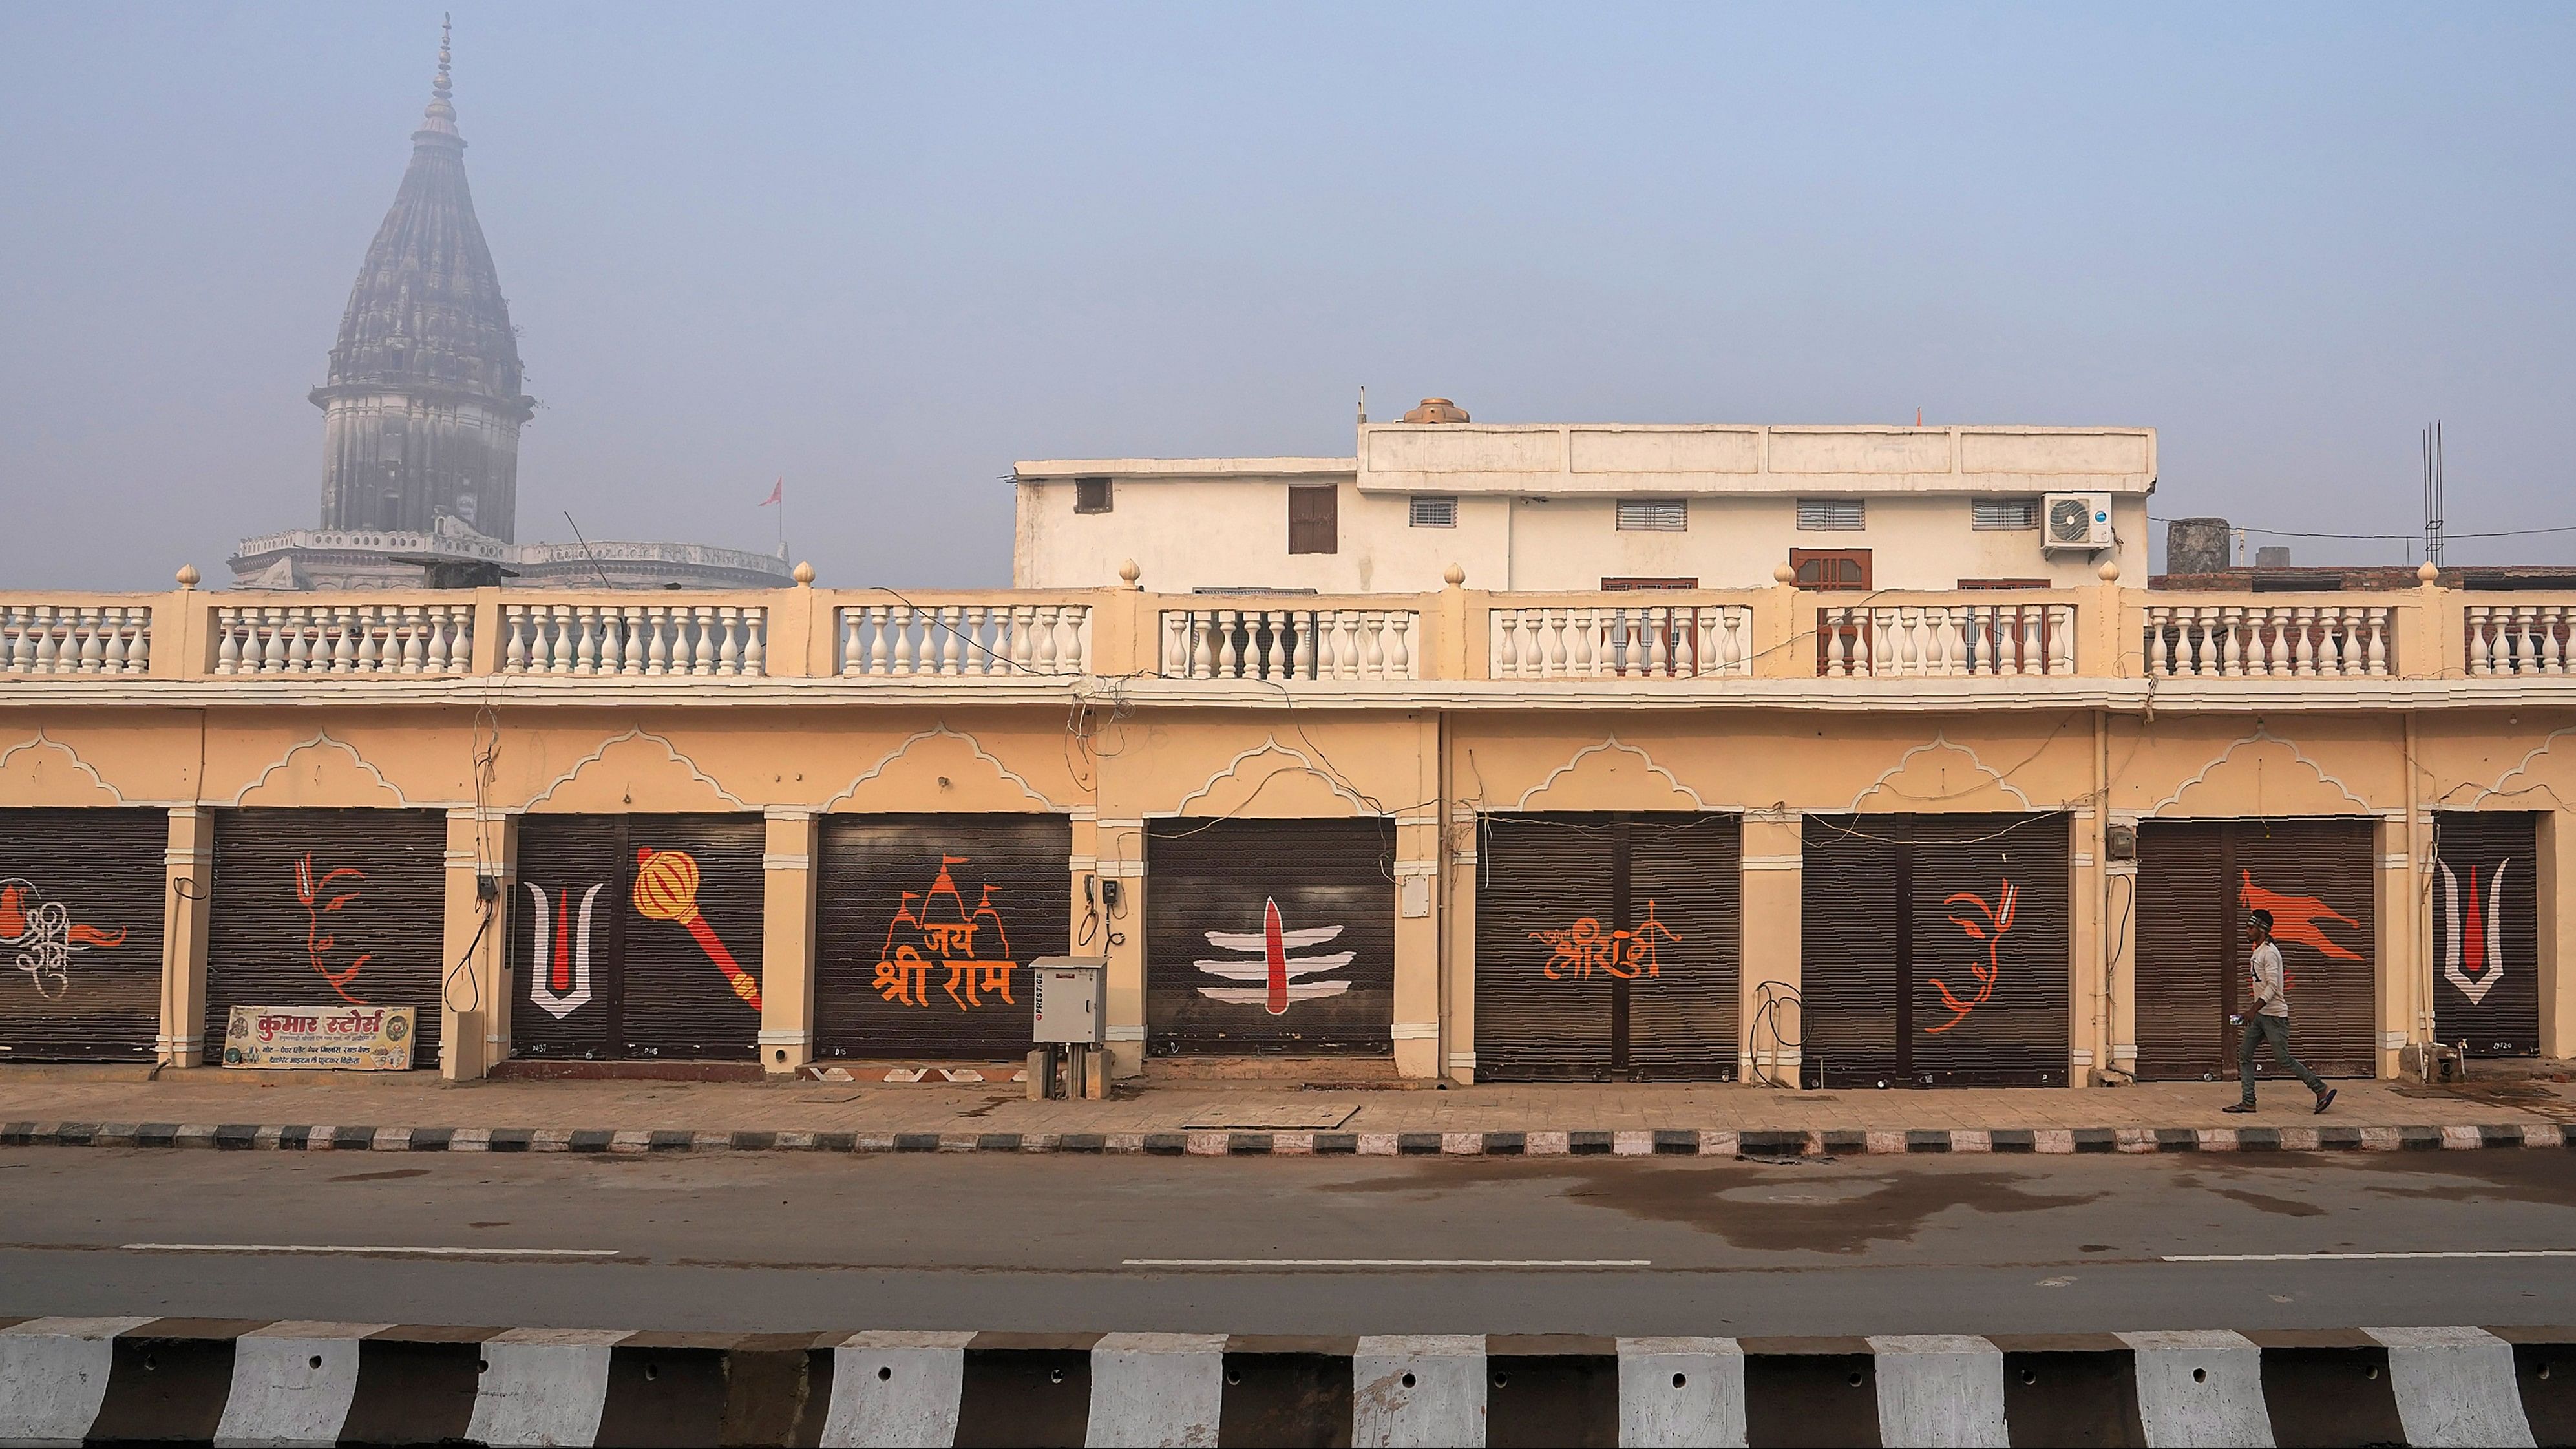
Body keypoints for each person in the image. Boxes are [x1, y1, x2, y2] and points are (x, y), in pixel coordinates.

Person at [2222, 908, 2336, 1115]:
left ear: (2262, 930)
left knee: (2283, 1059)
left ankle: (2321, 1089)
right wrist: (2254, 1013)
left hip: (2274, 1017)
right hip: (2260, 1016)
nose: (2247, 930)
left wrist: (2252, 1010)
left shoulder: (2270, 953)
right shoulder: (2258, 951)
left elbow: (2273, 986)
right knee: (2245, 1055)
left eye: (2251, 927)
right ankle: (2248, 1101)